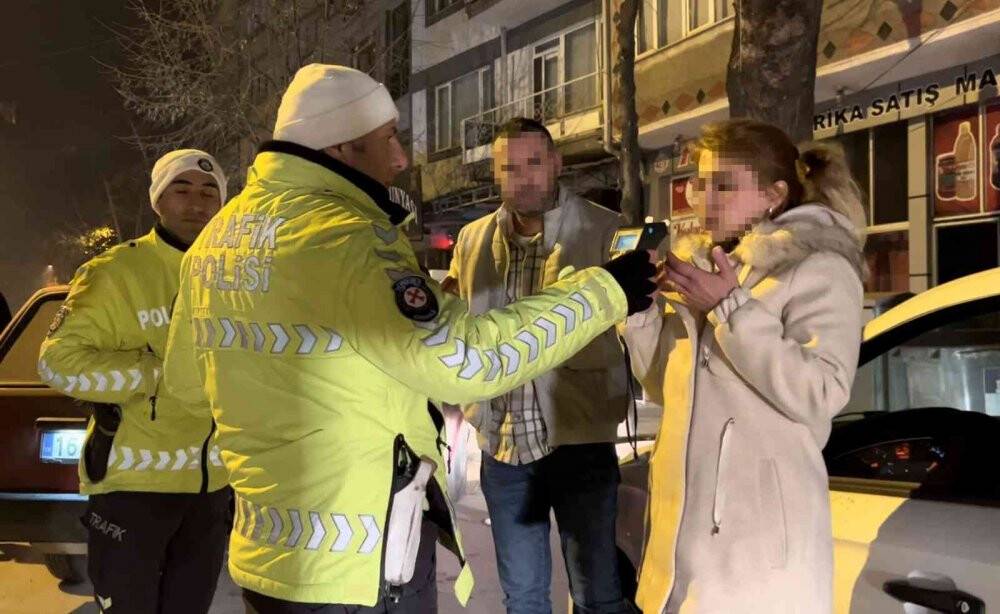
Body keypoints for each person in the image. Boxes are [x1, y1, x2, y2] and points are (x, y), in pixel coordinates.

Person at [161, 64, 657, 614]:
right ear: (343, 147)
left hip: (265, 552)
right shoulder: (345, 237)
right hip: (361, 561)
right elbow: (464, 360)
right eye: (387, 139)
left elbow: (186, 387)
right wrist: (606, 291)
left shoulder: (217, 239)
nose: (399, 158)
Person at [623, 119, 867, 614]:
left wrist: (730, 308)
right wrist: (641, 311)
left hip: (756, 555)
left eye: (724, 185)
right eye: (701, 183)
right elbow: (666, 389)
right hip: (680, 544)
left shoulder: (820, 267)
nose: (704, 198)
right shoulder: (712, 269)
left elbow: (822, 391)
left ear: (773, 195)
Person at [442, 117, 633, 614]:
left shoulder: (603, 230)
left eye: (533, 162)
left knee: (597, 595)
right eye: (510, 166)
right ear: (497, 174)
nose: (523, 176)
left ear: (555, 163)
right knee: (523, 599)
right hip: (503, 447)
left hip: (580, 439)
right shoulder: (471, 240)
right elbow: (458, 323)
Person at [37, 150, 232, 614]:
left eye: (209, 192)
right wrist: (157, 374)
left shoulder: (236, 276)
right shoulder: (115, 273)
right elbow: (58, 362)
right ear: (157, 201)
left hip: (211, 490)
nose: (196, 202)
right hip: (134, 489)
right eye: (180, 189)